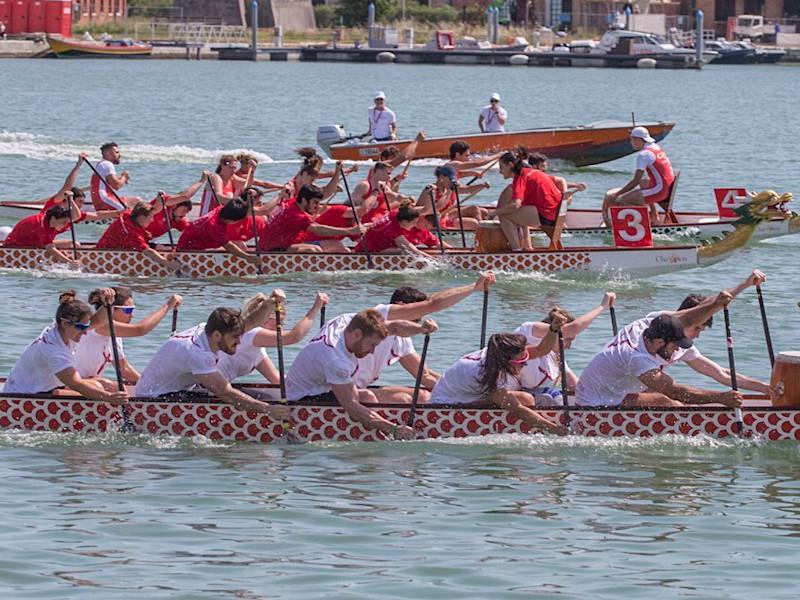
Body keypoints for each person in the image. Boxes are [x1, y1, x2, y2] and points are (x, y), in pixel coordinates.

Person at [331, 272, 496, 403]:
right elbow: (433, 303)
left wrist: (468, 392)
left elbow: (425, 375)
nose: (419, 321)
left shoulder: (401, 337)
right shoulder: (380, 314)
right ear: (401, 307)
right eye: (418, 315)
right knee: (403, 399)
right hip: (339, 390)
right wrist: (474, 287)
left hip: (360, 388)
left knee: (425, 396)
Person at [606, 270, 771, 396]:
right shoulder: (655, 322)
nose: (697, 335)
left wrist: (765, 388)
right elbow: (702, 309)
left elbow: (723, 375)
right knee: (669, 398)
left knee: (664, 393)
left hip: (634, 390)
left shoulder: (683, 347)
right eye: (697, 328)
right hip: (611, 392)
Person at [134, 293, 291, 420]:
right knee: (230, 397)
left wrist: (269, 304)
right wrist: (268, 409)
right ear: (217, 335)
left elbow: (249, 322)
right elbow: (226, 393)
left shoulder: (209, 329)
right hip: (153, 400)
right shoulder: (197, 353)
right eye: (235, 338)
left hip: (178, 391)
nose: (239, 341)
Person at [286, 308, 437, 439]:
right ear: (357, 334)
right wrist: (393, 429)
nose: (372, 351)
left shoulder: (348, 321)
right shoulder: (336, 360)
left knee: (419, 395)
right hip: (301, 400)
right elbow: (352, 407)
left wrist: (421, 328)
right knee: (367, 397)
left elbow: (396, 327)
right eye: (372, 345)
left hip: (320, 385)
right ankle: (378, 437)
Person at [576, 293, 744, 408]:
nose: (678, 349)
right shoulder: (637, 357)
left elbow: (689, 316)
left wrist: (718, 303)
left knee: (663, 394)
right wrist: (720, 398)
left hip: (607, 389)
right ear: (659, 342)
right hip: (593, 403)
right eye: (674, 345)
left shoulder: (644, 325)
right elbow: (675, 390)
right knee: (666, 401)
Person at [429, 313, 571, 435]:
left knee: (526, 397)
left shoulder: (499, 356)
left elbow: (541, 350)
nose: (525, 364)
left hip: (469, 396)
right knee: (525, 399)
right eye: (521, 362)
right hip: (445, 409)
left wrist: (553, 329)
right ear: (506, 361)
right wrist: (554, 430)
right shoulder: (483, 373)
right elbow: (517, 410)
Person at [4, 288, 128, 406]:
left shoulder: (64, 330)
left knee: (106, 384)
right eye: (81, 328)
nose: (85, 332)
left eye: (86, 327)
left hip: (41, 389)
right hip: (22, 399)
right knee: (98, 387)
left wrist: (108, 304)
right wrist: (109, 398)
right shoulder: (53, 350)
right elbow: (76, 384)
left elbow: (99, 320)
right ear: (64, 323)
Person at [514, 292, 616, 406]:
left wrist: (610, 394)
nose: (569, 346)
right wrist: (602, 306)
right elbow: (571, 329)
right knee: (548, 400)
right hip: (503, 394)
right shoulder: (528, 331)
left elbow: (577, 387)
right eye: (568, 340)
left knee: (563, 398)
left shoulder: (556, 357)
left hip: (526, 393)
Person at [75, 287, 182, 384]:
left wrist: (149, 385)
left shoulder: (115, 334)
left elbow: (124, 368)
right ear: (112, 309)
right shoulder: (101, 326)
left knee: (109, 384)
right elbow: (140, 330)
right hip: (70, 383)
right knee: (106, 384)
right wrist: (168, 306)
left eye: (132, 310)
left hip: (87, 381)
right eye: (128, 310)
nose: (132, 315)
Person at [218, 292, 328, 384]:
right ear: (264, 319)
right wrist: (315, 308)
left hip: (217, 387)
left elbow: (278, 380)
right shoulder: (251, 333)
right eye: (277, 323)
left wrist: (315, 381)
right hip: (207, 386)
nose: (279, 328)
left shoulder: (258, 350)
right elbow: (294, 336)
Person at [256, 184, 368, 253]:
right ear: (304, 200)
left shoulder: (291, 202)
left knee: (333, 244)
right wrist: (349, 231)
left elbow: (325, 193)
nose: (317, 206)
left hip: (272, 245)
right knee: (314, 250)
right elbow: (318, 230)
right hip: (272, 249)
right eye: (315, 202)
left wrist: (337, 173)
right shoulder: (296, 215)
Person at [601, 126, 675, 224]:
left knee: (622, 200)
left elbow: (635, 181)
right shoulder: (655, 147)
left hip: (660, 191)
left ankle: (642, 225)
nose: (630, 142)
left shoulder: (644, 155)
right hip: (665, 187)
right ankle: (654, 216)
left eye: (632, 139)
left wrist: (618, 194)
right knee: (643, 181)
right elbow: (640, 180)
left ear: (638, 140)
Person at [495, 149, 564, 251]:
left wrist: (494, 213)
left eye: (501, 167)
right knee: (518, 213)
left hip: (547, 215)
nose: (500, 171)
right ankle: (526, 247)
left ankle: (516, 251)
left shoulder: (520, 177)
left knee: (504, 215)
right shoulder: (531, 172)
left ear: (510, 165)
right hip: (554, 212)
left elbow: (515, 205)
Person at [95, 202, 181, 271]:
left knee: (158, 246)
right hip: (103, 257)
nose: (152, 220)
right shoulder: (132, 233)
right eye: (151, 217)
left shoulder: (128, 214)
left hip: (114, 249)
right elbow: (148, 252)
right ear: (142, 217)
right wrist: (169, 264)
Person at [2, 194, 83, 268]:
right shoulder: (41, 225)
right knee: (60, 249)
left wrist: (71, 199)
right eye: (63, 222)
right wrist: (69, 262)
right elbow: (50, 249)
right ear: (53, 219)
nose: (65, 225)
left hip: (37, 242)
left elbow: (77, 216)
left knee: (74, 244)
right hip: (16, 248)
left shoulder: (56, 221)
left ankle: (77, 261)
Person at [175, 198, 260, 265]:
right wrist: (248, 257)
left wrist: (248, 202)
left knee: (240, 244)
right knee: (234, 249)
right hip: (189, 252)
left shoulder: (222, 208)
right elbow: (229, 247)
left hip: (194, 242)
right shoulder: (215, 226)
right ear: (232, 220)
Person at [354, 202, 448, 256]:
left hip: (379, 248)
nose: (413, 226)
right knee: (405, 251)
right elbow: (413, 250)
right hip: (366, 253)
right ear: (405, 222)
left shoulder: (399, 214)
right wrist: (434, 260)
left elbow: (426, 209)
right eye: (413, 223)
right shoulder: (393, 229)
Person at [416, 166, 485, 231]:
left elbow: (467, 189)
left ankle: (485, 231)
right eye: (450, 180)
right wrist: (450, 190)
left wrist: (482, 186)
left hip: (444, 217)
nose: (452, 182)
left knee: (475, 210)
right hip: (429, 223)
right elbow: (438, 206)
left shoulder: (447, 188)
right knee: (474, 223)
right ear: (441, 177)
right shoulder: (431, 189)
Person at [90, 142, 142, 211]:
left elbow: (111, 183)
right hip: (104, 200)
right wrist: (124, 177)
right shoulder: (107, 164)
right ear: (108, 153)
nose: (120, 155)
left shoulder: (101, 164)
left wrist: (121, 178)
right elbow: (116, 185)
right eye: (117, 152)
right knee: (132, 208)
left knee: (136, 200)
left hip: (101, 199)